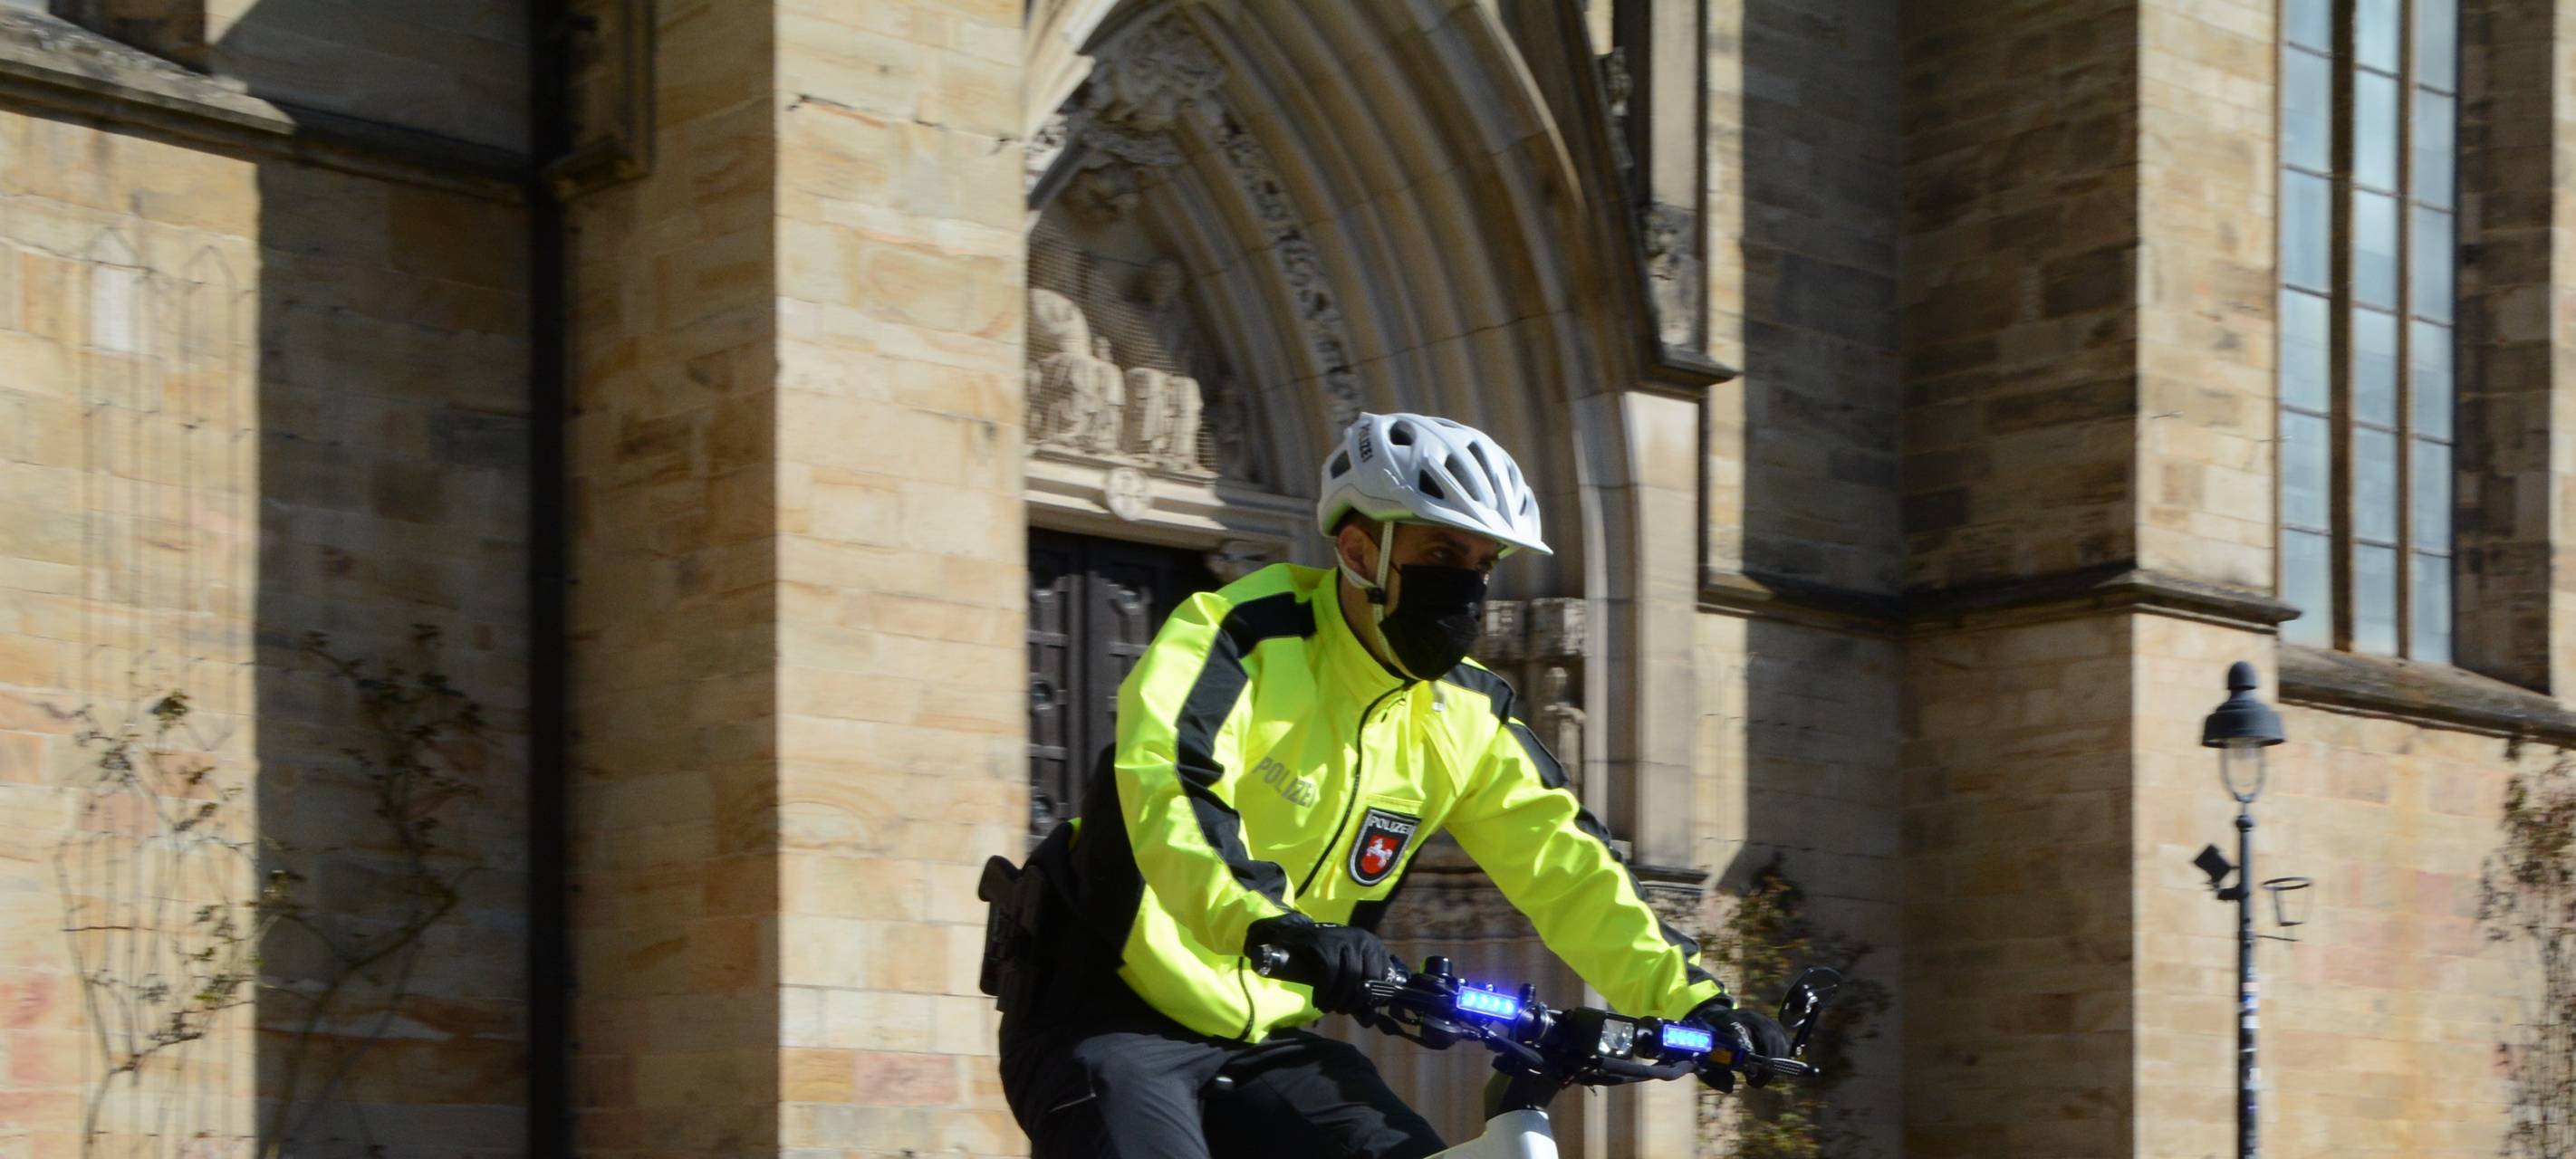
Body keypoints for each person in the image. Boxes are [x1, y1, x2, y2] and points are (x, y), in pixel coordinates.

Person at [997, 413, 1790, 1158]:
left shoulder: (1468, 713)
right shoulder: (1238, 635)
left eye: (1484, 564)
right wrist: (1274, 926)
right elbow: (1169, 795)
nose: (1470, 586)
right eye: (1444, 556)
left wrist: (1696, 1005)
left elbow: (1570, 869)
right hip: (1105, 1012)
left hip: (1265, 1038)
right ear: (1357, 550)